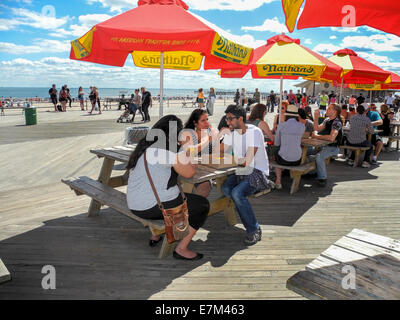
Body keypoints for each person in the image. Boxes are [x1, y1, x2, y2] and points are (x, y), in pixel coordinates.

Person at [126, 115, 209, 260]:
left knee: (173, 190)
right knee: (201, 205)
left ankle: (155, 234)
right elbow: (190, 172)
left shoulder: (145, 147)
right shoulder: (168, 150)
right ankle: (181, 249)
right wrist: (184, 147)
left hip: (134, 203)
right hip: (151, 207)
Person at [220, 105, 270, 245]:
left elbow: (247, 161)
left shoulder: (254, 132)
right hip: (240, 171)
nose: (227, 122)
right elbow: (220, 149)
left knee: (236, 193)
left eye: (230, 119)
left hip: (257, 171)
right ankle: (242, 207)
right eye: (226, 119)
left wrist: (229, 160)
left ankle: (254, 229)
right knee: (225, 190)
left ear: (240, 118)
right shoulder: (232, 133)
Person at [182, 109, 219, 198]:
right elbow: (188, 152)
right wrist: (207, 141)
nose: (206, 123)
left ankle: (196, 208)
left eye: (207, 119)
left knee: (205, 185)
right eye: (203, 120)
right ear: (195, 123)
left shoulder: (211, 132)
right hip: (186, 168)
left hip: (206, 169)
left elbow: (217, 153)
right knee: (199, 185)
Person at [273, 105, 305, 189]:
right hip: (297, 160)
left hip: (283, 160)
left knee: (275, 154)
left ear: (286, 115)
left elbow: (276, 143)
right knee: (284, 152)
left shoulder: (282, 125)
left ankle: (278, 181)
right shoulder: (302, 126)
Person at [312, 104, 343, 187]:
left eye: (329, 108)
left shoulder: (337, 122)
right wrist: (316, 117)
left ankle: (322, 178)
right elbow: (317, 129)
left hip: (333, 148)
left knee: (319, 156)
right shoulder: (327, 120)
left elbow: (331, 138)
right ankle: (313, 172)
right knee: (307, 151)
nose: (327, 109)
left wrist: (316, 136)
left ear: (335, 112)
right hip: (324, 146)